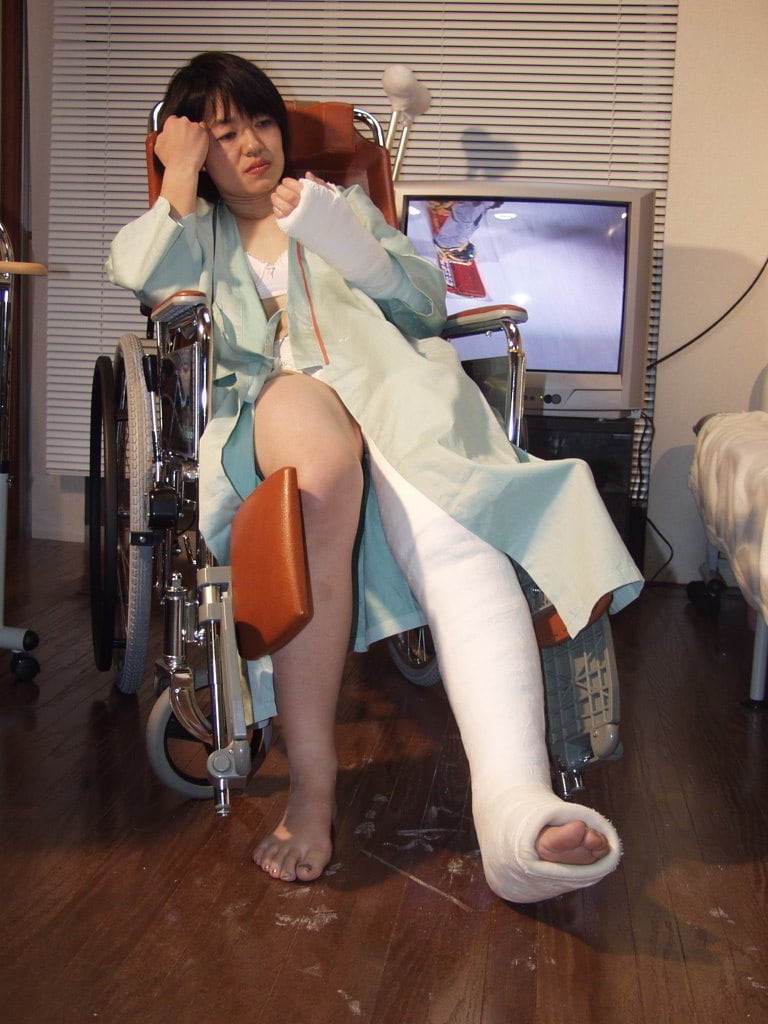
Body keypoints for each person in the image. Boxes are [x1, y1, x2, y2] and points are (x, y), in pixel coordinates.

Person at [107, 52, 644, 903]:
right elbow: (141, 276)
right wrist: (174, 177)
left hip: (393, 381)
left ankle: (517, 814)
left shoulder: (334, 202)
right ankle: (314, 789)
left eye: (261, 122)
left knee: (453, 525)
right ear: (196, 151)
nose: (252, 145)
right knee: (318, 482)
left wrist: (343, 238)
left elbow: (425, 304)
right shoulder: (197, 230)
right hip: (281, 391)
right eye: (223, 134)